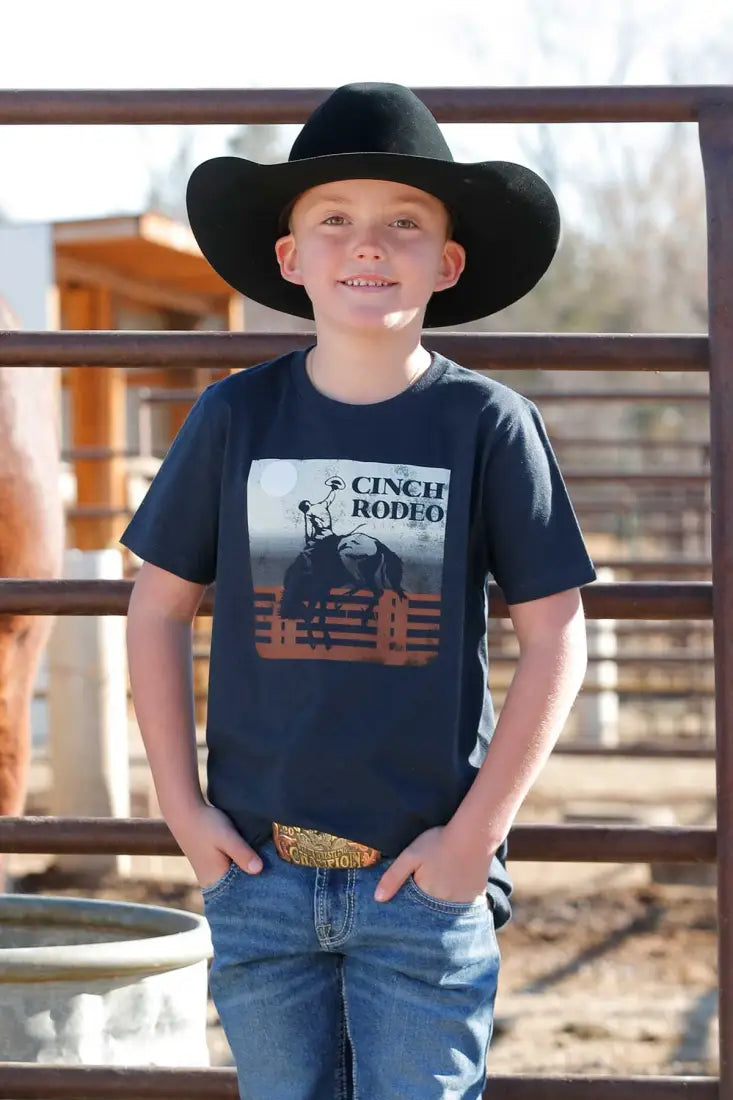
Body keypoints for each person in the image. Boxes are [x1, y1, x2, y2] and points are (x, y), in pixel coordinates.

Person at [120, 82, 596, 1100]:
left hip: (421, 880)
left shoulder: (487, 423)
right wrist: (180, 808)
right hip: (259, 872)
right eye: (333, 219)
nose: (367, 245)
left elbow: (557, 637)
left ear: (447, 261)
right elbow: (157, 607)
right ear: (290, 258)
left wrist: (472, 839)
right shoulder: (233, 417)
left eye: (403, 223)